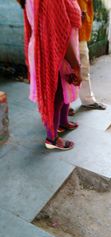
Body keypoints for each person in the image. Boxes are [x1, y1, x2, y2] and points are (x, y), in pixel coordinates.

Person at [17, 0, 82, 150]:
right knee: (56, 94)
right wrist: (75, 65)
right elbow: (59, 33)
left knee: (65, 86)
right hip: (53, 50)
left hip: (51, 48)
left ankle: (62, 122)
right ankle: (52, 138)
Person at [69, 0, 106, 116]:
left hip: (79, 30)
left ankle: (87, 100)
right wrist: (81, 10)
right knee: (65, 68)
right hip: (68, 29)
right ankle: (64, 104)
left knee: (83, 67)